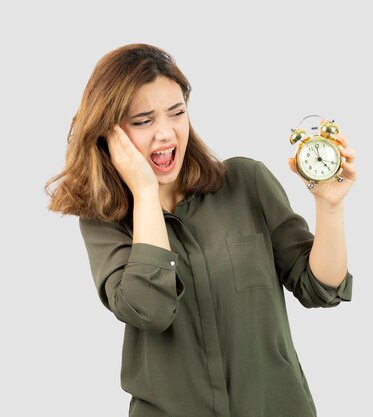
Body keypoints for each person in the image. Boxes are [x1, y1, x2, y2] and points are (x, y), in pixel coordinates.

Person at [45, 43, 356, 417]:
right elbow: (150, 310)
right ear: (111, 135)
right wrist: (145, 194)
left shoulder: (245, 182)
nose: (165, 133)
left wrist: (330, 205)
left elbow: (319, 288)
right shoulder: (104, 222)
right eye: (143, 121)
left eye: (176, 113)